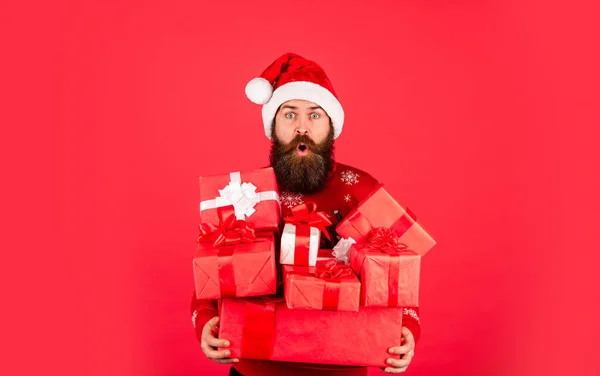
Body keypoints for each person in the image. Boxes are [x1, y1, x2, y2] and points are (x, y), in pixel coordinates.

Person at [191, 53, 421, 375]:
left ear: (331, 126)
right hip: (256, 366)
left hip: (342, 366)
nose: (302, 127)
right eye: (289, 115)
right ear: (273, 125)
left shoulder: (359, 189)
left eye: (314, 116)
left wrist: (408, 329)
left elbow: (400, 275)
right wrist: (204, 322)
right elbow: (212, 275)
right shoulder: (244, 193)